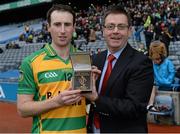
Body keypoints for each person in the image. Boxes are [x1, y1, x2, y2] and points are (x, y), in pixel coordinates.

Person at [17, 4, 92, 133]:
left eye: (67, 25)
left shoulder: (84, 59)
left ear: (74, 27)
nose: (62, 30)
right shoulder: (31, 62)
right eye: (57, 24)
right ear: (49, 27)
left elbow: (87, 103)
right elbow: (22, 109)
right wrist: (56, 102)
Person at [84, 5, 154, 133]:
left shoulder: (142, 63)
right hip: (94, 129)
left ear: (129, 31)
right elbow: (88, 99)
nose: (115, 31)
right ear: (103, 30)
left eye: (121, 27)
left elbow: (134, 107)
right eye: (110, 26)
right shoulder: (96, 59)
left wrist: (96, 98)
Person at [147, 41, 175, 111]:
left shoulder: (168, 63)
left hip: (167, 86)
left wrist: (163, 81)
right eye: (155, 60)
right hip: (156, 86)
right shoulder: (152, 64)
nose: (157, 61)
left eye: (158, 59)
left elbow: (171, 75)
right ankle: (150, 105)